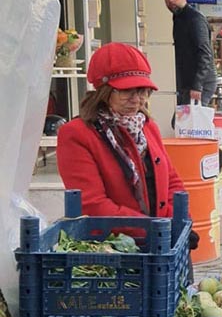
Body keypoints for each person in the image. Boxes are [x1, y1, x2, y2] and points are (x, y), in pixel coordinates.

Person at [57, 43, 187, 221]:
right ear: (104, 92)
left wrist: (180, 222)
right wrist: (155, 230)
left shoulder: (148, 127)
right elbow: (92, 205)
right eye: (126, 91)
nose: (136, 100)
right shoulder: (77, 134)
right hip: (113, 243)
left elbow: (172, 182)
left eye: (142, 91)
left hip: (160, 239)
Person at [163, 0, 217, 106]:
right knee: (184, 121)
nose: (170, 0)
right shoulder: (179, 17)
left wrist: (197, 85)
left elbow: (205, 53)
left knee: (189, 121)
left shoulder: (195, 19)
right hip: (190, 82)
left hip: (200, 82)